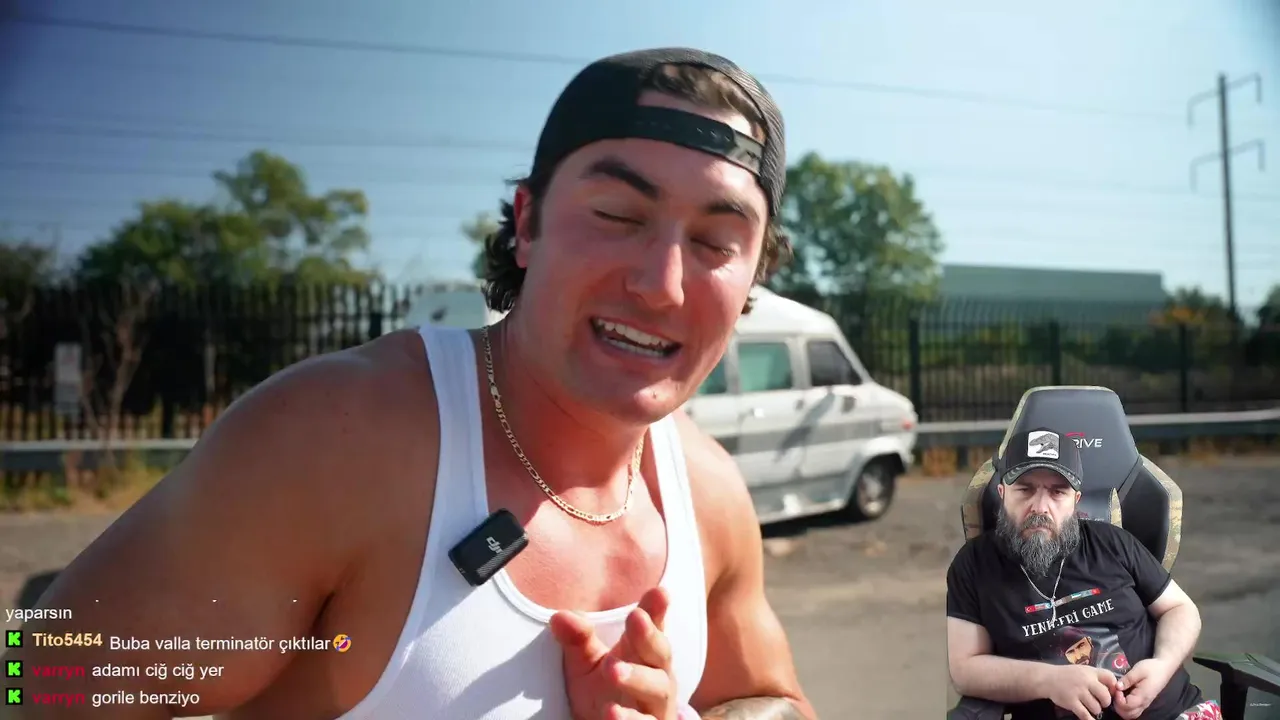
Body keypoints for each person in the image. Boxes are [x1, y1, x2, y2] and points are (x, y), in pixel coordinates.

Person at [5, 48, 816, 719]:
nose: (663, 284)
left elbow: (769, 699)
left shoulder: (706, 491)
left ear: (755, 274)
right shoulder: (340, 440)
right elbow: (43, 684)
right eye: (618, 215)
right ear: (527, 222)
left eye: (716, 241)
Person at [945, 428, 1218, 720]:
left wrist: (1162, 666)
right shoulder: (974, 564)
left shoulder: (1112, 542)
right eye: (1024, 489)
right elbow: (965, 669)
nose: (1040, 507)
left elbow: (1180, 608)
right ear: (1002, 494)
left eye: (1057, 492)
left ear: (1076, 500)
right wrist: (1049, 680)